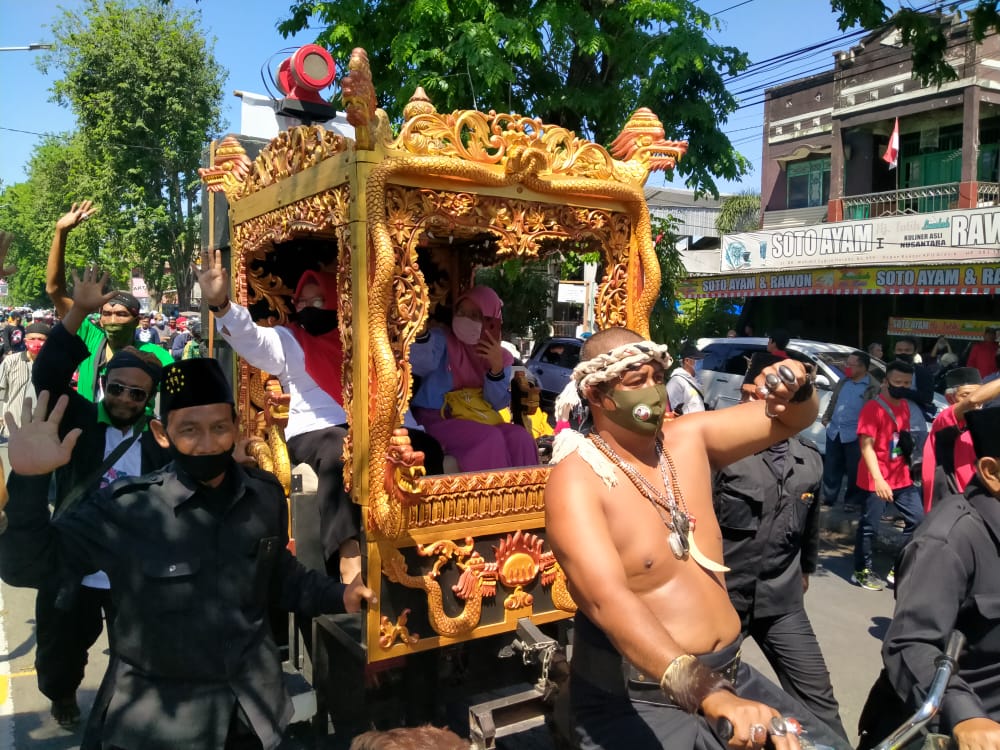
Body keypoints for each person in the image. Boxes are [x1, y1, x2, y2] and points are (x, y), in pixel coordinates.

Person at [0, 357, 376, 750]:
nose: (207, 443)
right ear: (162, 434)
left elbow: (280, 575)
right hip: (159, 724)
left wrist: (340, 594)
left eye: (218, 428)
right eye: (190, 430)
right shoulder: (127, 509)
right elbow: (27, 567)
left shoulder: (263, 495)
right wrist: (28, 481)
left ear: (235, 427)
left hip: (254, 714)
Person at [546, 327, 850, 750]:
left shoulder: (688, 439)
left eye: (656, 375)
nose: (653, 390)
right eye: (636, 382)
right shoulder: (576, 480)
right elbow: (606, 601)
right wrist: (706, 692)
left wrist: (797, 389)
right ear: (597, 395)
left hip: (730, 678)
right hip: (638, 700)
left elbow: (792, 420)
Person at [8, 269, 171, 729]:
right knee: (60, 651)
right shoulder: (80, 421)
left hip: (131, 568)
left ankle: (130, 710)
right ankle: (61, 696)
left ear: (149, 398)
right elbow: (49, 375)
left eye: (136, 393)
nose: (123, 399)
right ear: (104, 385)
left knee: (140, 649)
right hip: (73, 563)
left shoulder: (162, 443)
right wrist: (78, 310)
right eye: (116, 388)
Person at [197, 249, 366, 582]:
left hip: (361, 424)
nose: (307, 310)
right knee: (338, 448)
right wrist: (222, 306)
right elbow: (253, 339)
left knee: (423, 445)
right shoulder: (290, 340)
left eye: (317, 303)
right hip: (314, 432)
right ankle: (348, 557)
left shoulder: (356, 341)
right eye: (302, 304)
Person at [713, 358, 847, 740]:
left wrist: (806, 569)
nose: (774, 401)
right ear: (748, 392)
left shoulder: (809, 460)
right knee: (706, 698)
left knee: (818, 701)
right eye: (765, 390)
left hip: (781, 601)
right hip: (723, 598)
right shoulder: (721, 454)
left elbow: (810, 528)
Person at [857, 406, 1000, 750]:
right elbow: (910, 643)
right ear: (993, 472)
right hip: (948, 733)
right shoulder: (948, 540)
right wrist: (966, 716)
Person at [45, 201, 173, 400]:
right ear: (100, 319)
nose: (112, 320)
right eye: (107, 314)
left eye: (121, 314)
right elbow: (54, 290)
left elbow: (184, 394)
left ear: (136, 321)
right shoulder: (90, 339)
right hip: (89, 428)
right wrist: (60, 233)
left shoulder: (152, 353)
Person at [410, 286, 537, 472]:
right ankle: (491, 499)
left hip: (480, 417)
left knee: (520, 438)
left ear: (491, 321)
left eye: (474, 315)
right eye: (462, 312)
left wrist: (496, 367)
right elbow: (419, 363)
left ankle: (527, 498)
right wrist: (421, 333)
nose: (465, 319)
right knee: (489, 438)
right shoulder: (441, 340)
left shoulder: (500, 356)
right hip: (438, 418)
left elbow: (496, 403)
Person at [852, 359, 925, 591]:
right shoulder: (872, 408)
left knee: (918, 520)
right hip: (877, 478)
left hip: (901, 475)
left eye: (907, 383)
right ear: (885, 382)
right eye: (897, 382)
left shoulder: (904, 405)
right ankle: (862, 570)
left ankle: (899, 567)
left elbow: (899, 440)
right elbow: (866, 447)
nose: (902, 386)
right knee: (869, 527)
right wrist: (879, 479)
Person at [921, 368, 1000, 513]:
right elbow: (973, 400)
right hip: (951, 505)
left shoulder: (983, 422)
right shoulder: (943, 420)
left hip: (980, 502)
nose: (978, 401)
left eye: (981, 392)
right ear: (950, 398)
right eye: (965, 394)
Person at [820, 350, 878, 510]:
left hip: (856, 434)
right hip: (835, 430)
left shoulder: (873, 387)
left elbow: (874, 411)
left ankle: (852, 501)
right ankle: (829, 497)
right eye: (846, 364)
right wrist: (826, 418)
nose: (846, 367)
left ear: (863, 367)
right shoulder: (843, 381)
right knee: (831, 466)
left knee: (855, 470)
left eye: (850, 365)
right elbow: (834, 400)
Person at [0, 321, 49, 443]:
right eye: (32, 338)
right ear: (25, 340)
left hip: (41, 430)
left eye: (41, 339)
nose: (36, 342)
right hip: (13, 428)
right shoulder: (11, 362)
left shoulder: (53, 365)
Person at [893, 336, 935, 419]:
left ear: (915, 352)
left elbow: (927, 398)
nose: (903, 353)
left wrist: (902, 391)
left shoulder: (923, 372)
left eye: (907, 350)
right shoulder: (886, 369)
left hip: (913, 419)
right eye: (899, 350)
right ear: (894, 351)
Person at [666, 342, 707, 416]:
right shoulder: (676, 382)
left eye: (702, 360)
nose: (701, 362)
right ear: (687, 361)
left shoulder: (696, 379)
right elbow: (673, 411)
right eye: (698, 359)